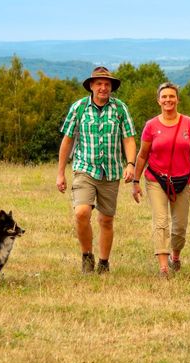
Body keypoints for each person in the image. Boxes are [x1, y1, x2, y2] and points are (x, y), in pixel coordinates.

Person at [56, 66, 136, 274]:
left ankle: (104, 262)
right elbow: (67, 140)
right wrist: (60, 173)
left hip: (111, 171)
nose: (103, 88)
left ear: (111, 87)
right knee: (82, 212)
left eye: (107, 84)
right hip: (85, 168)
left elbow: (128, 138)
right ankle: (86, 256)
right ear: (91, 86)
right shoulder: (79, 108)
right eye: (99, 84)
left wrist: (130, 164)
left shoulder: (120, 109)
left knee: (106, 220)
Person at [131, 82, 190, 277]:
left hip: (183, 179)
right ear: (158, 101)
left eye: (172, 96)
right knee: (161, 221)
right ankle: (163, 267)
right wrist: (135, 182)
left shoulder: (188, 123)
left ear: (177, 99)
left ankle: (175, 256)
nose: (168, 100)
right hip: (156, 179)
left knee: (179, 226)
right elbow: (142, 155)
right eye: (164, 97)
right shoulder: (151, 125)